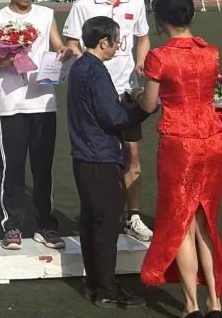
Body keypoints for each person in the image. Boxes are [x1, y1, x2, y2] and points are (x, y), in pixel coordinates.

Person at [138, 0, 222, 317]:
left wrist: (135, 97)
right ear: (191, 16)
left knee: (180, 222)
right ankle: (215, 300)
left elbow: (149, 104)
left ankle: (191, 304)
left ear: (160, 21)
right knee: (205, 220)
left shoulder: (159, 57)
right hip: (212, 139)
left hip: (179, 143)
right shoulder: (210, 52)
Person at [63, 0, 153, 242]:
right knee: (99, 157)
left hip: (127, 90)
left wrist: (141, 61)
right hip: (95, 94)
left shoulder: (135, 2)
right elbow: (72, 43)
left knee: (132, 153)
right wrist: (88, 69)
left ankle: (133, 216)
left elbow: (143, 37)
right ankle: (100, 215)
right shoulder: (83, 5)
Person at [0, 0, 72, 250]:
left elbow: (58, 45)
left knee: (43, 167)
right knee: (13, 166)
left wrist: (64, 52)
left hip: (43, 101)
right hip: (11, 103)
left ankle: (46, 225)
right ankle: (13, 226)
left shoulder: (46, 15)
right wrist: (5, 60)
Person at [68, 16, 151, 309]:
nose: (118, 46)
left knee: (91, 223)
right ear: (104, 42)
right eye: (116, 41)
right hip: (100, 156)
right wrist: (145, 109)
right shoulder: (95, 71)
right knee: (106, 225)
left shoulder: (80, 67)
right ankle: (106, 288)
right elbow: (114, 117)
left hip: (84, 155)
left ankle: (95, 282)